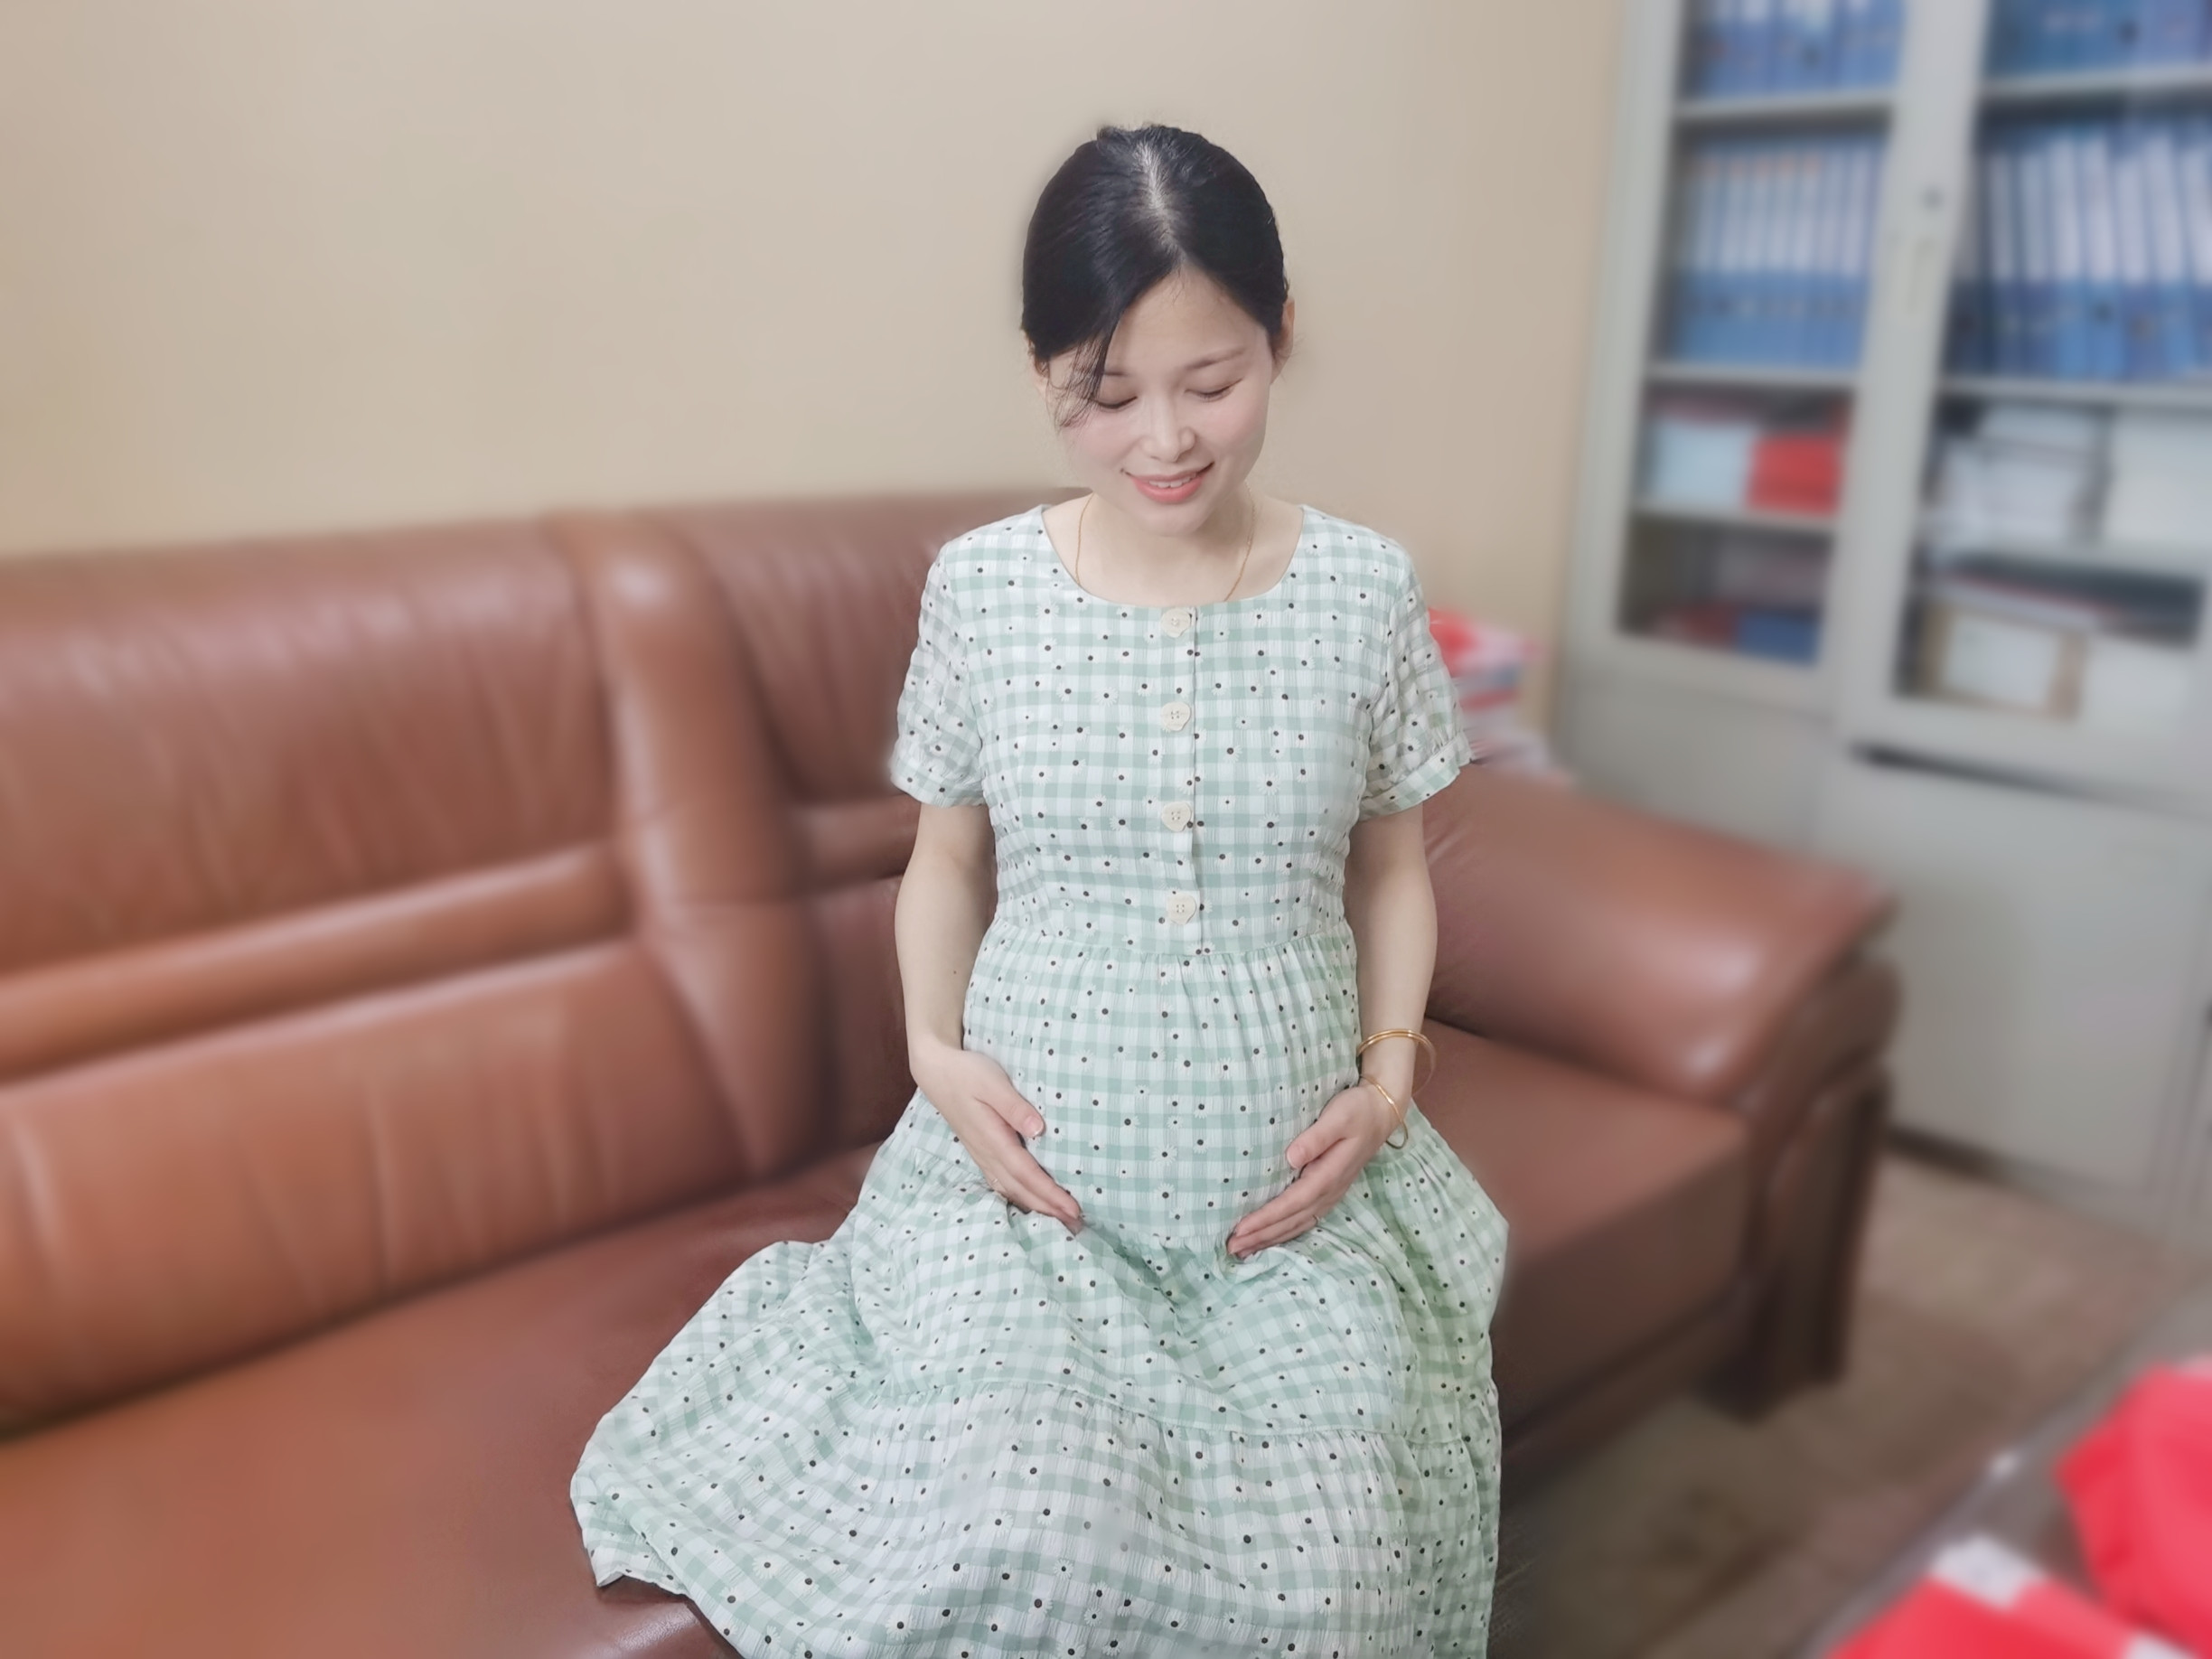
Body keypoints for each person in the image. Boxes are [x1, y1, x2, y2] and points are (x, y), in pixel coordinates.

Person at [571, 121, 1510, 1658]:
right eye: (1105, 393)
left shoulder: (1365, 589)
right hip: (1032, 1209)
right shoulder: (983, 587)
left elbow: (1394, 868)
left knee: (1344, 1583)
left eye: (1212, 382)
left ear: (1280, 338)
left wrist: (1391, 1079)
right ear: (1041, 374)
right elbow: (943, 860)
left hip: (1292, 1212)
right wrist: (935, 1060)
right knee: (1018, 1539)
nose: (1165, 441)